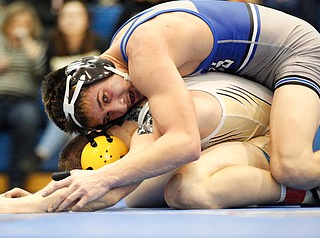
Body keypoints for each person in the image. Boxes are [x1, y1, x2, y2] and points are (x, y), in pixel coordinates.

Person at [41, 0, 320, 212]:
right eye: (109, 115)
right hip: (256, 78)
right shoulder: (127, 61)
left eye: (105, 98)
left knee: (293, 167)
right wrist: (33, 201)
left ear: (97, 67)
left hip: (296, 53)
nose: (119, 105)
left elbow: (185, 143)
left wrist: (103, 178)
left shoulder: (143, 50)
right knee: (185, 188)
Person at [1, 72, 319, 213]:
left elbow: (112, 192)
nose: (102, 171)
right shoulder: (143, 110)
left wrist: (34, 204)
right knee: (165, 190)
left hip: (276, 126)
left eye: (95, 166)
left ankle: (307, 191)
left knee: (188, 190)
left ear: (101, 141)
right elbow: (127, 191)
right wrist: (36, 198)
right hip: (253, 135)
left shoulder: (151, 112)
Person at [35, 0, 105, 164]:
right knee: (68, 107)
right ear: (59, 20)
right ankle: (72, 165)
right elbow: (44, 81)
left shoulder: (99, 43)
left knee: (74, 108)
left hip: (92, 102)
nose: (71, 20)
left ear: (87, 19)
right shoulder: (51, 44)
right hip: (57, 102)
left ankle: (42, 153)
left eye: (76, 15)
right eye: (66, 15)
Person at [0, 1, 47, 189]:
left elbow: (40, 67)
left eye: (25, 23)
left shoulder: (36, 46)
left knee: (28, 119)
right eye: (16, 22)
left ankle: (16, 184)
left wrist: (25, 39)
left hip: (22, 100)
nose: (19, 27)